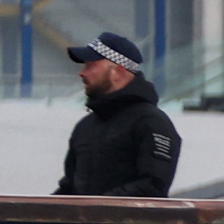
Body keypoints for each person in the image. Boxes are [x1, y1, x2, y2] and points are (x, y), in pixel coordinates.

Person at [59, 32, 182, 197]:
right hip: (86, 221)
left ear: (119, 72)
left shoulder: (151, 123)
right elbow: (69, 187)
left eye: (91, 66)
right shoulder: (85, 127)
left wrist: (96, 210)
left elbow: (152, 187)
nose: (82, 73)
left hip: (128, 222)